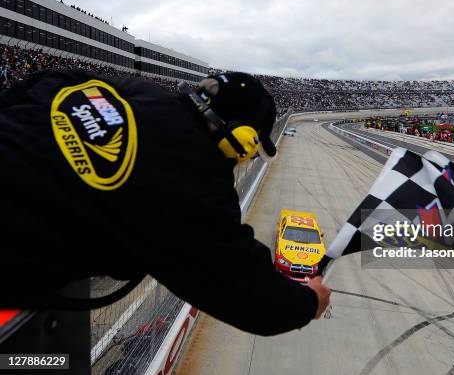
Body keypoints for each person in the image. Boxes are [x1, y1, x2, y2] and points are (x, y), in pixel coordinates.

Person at [0, 69, 330, 336]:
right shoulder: (195, 181)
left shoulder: (128, 89)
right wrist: (307, 302)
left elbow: (43, 79)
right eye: (251, 150)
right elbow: (249, 293)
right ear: (240, 139)